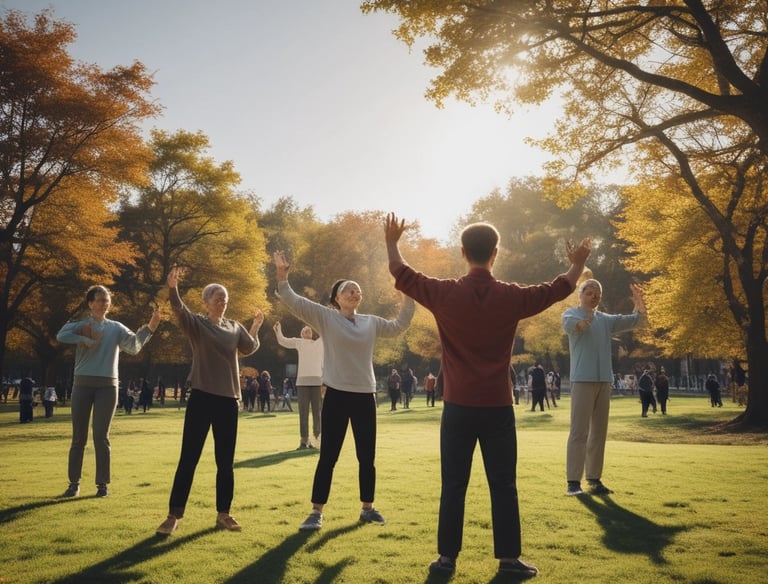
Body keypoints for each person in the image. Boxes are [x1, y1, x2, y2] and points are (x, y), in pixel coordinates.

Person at [385, 212, 590, 578]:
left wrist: (392, 242)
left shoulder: (445, 293)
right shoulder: (510, 296)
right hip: (497, 406)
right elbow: (557, 289)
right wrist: (577, 264)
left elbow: (401, 273)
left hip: (458, 407)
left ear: (463, 252)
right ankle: (508, 560)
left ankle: (446, 558)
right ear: (496, 253)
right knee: (503, 484)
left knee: (453, 484)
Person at [272, 249, 414, 531]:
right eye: (349, 289)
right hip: (336, 394)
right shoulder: (325, 318)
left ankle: (367, 508)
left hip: (365, 396)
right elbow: (293, 301)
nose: (354, 292)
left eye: (357, 290)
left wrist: (407, 299)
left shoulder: (371, 322)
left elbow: (399, 326)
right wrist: (282, 275)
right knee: (329, 456)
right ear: (336, 298)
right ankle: (316, 512)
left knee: (367, 457)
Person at [156, 266, 264, 536]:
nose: (222, 301)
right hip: (202, 397)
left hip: (228, 400)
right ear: (206, 302)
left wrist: (255, 326)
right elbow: (179, 310)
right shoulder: (197, 324)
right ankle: (173, 515)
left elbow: (249, 347)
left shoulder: (234, 327)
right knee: (189, 458)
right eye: (217, 297)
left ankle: (224, 514)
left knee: (225, 462)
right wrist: (173, 288)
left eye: (225, 298)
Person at [57, 285, 160, 497]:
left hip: (107, 386)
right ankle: (74, 483)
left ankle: (102, 485)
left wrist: (150, 328)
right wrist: (84, 338)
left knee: (101, 436)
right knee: (78, 437)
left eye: (107, 300)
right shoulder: (81, 325)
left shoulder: (116, 328)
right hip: (82, 385)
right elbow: (61, 335)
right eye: (100, 300)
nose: (104, 303)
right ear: (90, 303)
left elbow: (133, 346)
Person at [563, 279, 646, 496]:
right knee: (579, 431)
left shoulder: (606, 320)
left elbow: (635, 320)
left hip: (604, 380)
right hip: (582, 379)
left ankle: (594, 479)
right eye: (590, 292)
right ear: (581, 295)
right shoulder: (571, 314)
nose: (594, 296)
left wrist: (639, 302)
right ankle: (573, 482)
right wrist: (585, 320)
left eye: (597, 293)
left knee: (599, 432)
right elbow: (575, 327)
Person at [274, 322, 324, 449]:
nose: (308, 331)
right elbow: (283, 341)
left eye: (310, 330)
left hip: (317, 382)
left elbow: (327, 331)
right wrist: (278, 330)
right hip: (302, 382)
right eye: (305, 330)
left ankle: (316, 439)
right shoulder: (299, 342)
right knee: (303, 412)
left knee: (317, 412)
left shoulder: (320, 343)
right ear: (302, 335)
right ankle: (304, 440)